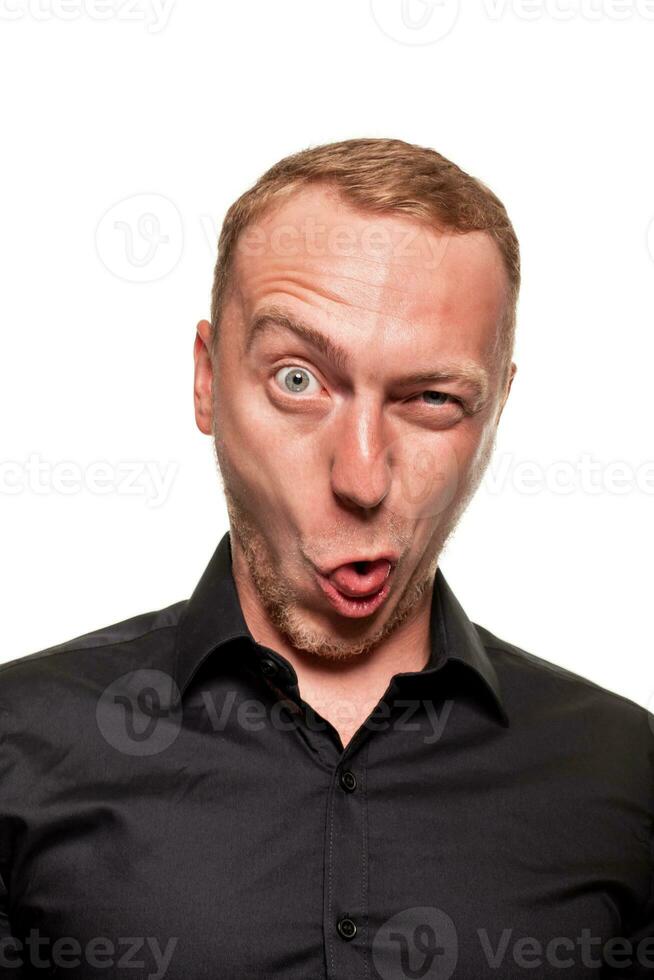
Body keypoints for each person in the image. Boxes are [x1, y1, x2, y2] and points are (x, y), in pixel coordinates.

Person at [0, 137, 651, 978]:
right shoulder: (16, 750)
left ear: (495, 415)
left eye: (432, 399)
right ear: (206, 380)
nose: (361, 477)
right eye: (298, 380)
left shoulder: (623, 771)